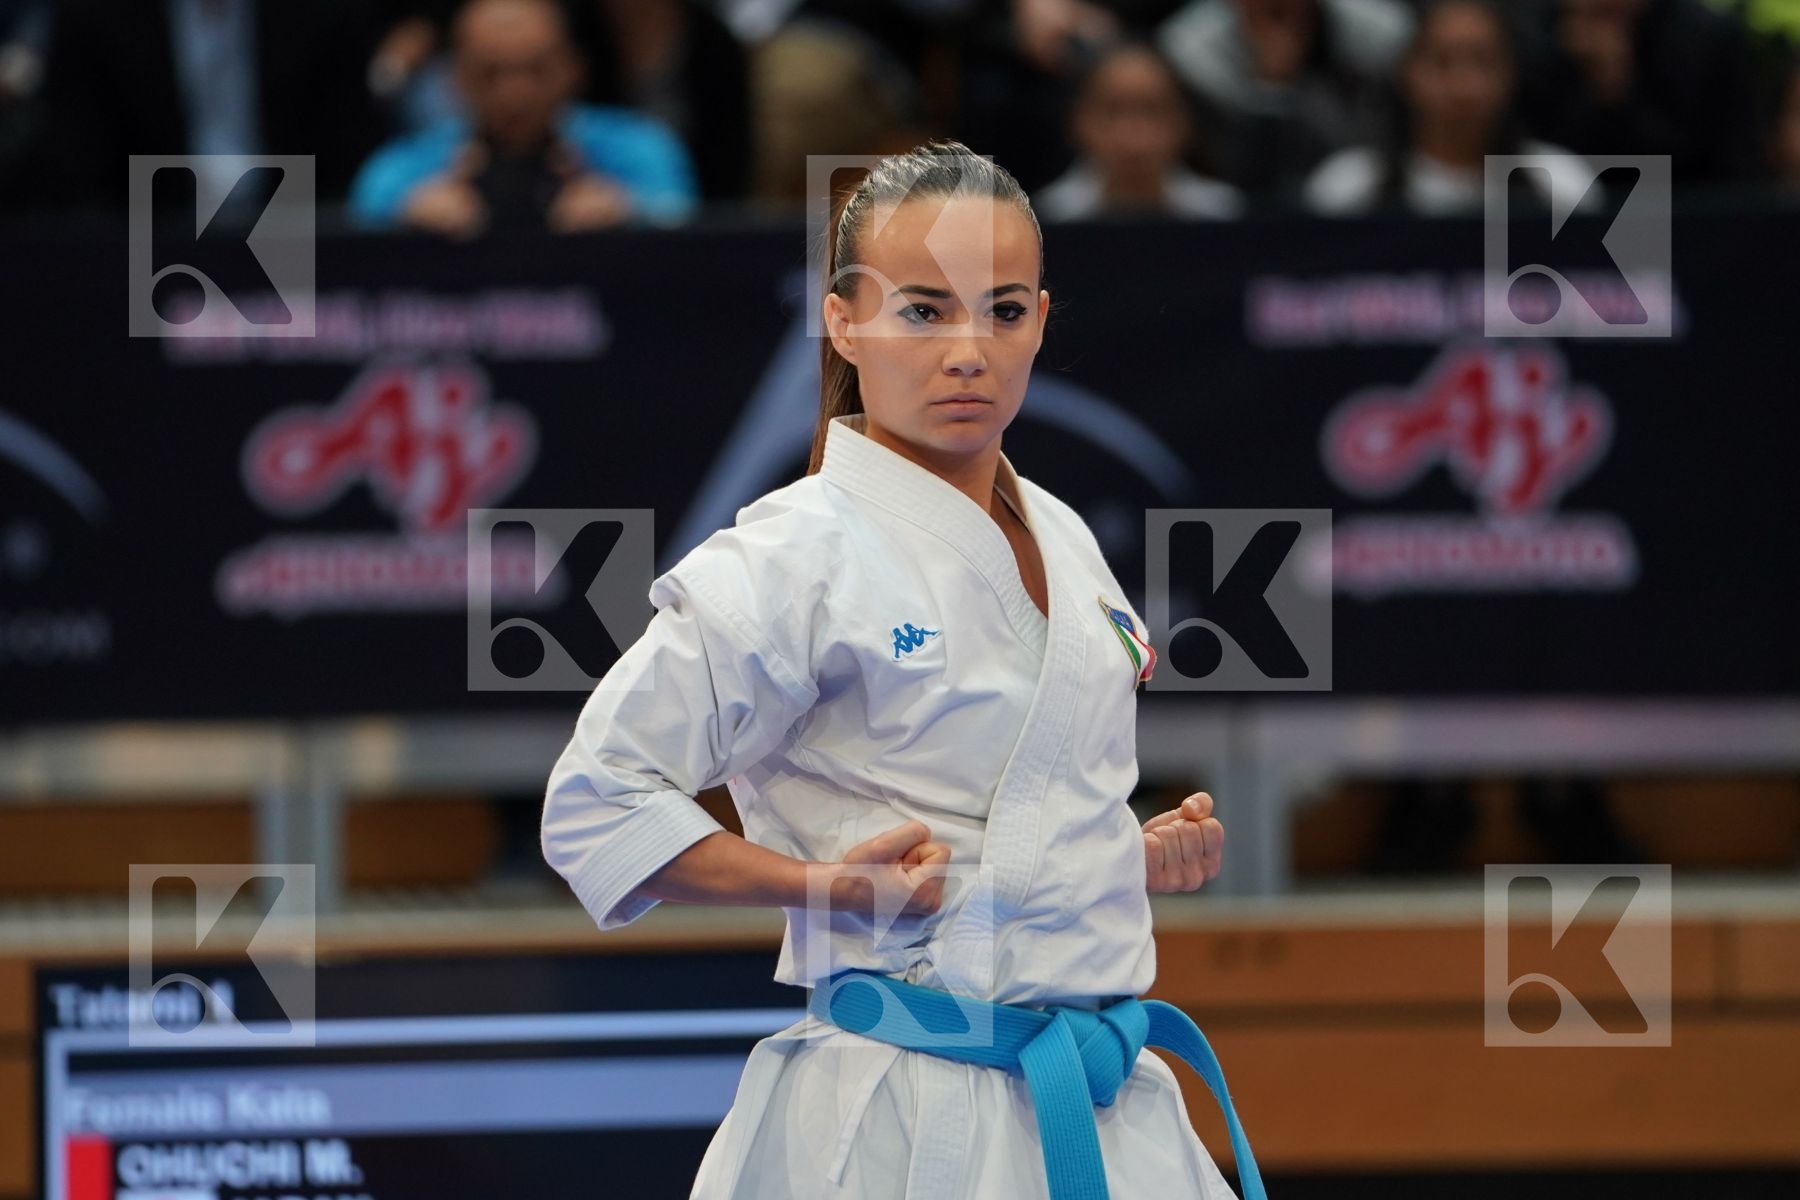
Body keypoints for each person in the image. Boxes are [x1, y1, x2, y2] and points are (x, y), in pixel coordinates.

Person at [541, 141, 1261, 1198]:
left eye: (1002, 311)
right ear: (843, 322)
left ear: (1041, 322)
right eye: (922, 311)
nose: (968, 351)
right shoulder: (788, 556)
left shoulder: (1066, 534)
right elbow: (595, 807)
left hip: (1107, 1096)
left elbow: (1013, 813)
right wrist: (824, 888)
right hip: (899, 1108)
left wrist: (1115, 853)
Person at [347, 0, 697, 236]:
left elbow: (687, 226)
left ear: (572, 69)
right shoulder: (401, 169)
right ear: (457, 79)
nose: (515, 96)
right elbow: (351, 246)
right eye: (491, 73)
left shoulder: (640, 148)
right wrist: (405, 224)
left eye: (535, 69)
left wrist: (630, 212)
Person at [1303, 0, 1598, 216]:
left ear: (1511, 74)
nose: (1463, 85)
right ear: (1406, 73)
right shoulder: (1349, 188)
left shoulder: (1561, 184)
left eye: (1483, 61)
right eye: (1442, 62)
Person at [1036, 36, 1243, 220]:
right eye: (1112, 111)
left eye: (1152, 110)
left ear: (1184, 121)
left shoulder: (1223, 215)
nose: (1133, 136)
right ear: (1078, 120)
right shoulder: (1045, 221)